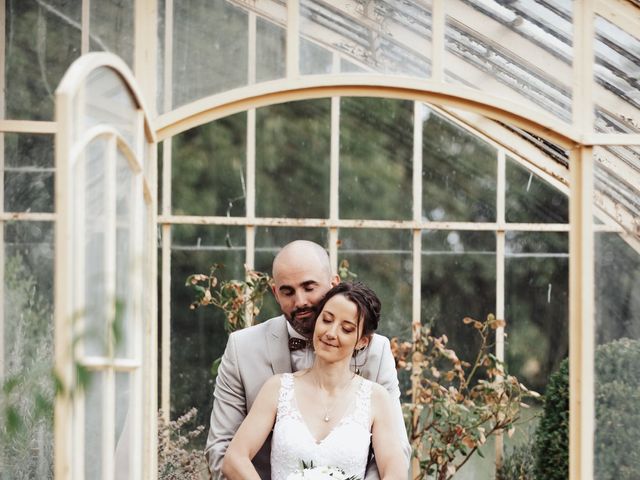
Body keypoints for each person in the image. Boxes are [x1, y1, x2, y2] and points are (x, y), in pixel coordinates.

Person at [205, 240, 410, 479]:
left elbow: (396, 454)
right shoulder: (244, 349)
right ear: (275, 293)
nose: (300, 301)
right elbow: (222, 451)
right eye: (287, 291)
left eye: (309, 287)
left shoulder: (378, 352)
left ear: (334, 284)